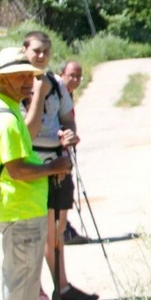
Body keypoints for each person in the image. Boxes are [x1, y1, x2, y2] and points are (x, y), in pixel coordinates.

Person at [0, 47, 72, 300]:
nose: (27, 83)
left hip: (19, 208)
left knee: (24, 275)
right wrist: (52, 168)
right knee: (22, 276)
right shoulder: (6, 119)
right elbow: (17, 170)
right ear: (3, 79)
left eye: (29, 76)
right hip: (20, 209)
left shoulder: (0, 108)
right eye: (19, 77)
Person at [20, 32, 95, 300]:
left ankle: (61, 287)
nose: (41, 56)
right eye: (36, 51)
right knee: (35, 230)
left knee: (56, 229)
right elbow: (27, 131)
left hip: (58, 163)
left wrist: (69, 134)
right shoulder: (17, 85)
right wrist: (38, 93)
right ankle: (36, 291)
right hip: (32, 165)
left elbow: (66, 119)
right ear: (25, 51)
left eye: (46, 51)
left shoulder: (56, 85)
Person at [56, 59, 92, 246]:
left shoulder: (67, 93)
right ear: (61, 75)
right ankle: (62, 231)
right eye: (72, 76)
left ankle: (63, 229)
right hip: (55, 150)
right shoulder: (54, 93)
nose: (76, 80)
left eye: (79, 76)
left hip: (65, 149)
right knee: (61, 190)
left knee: (65, 189)